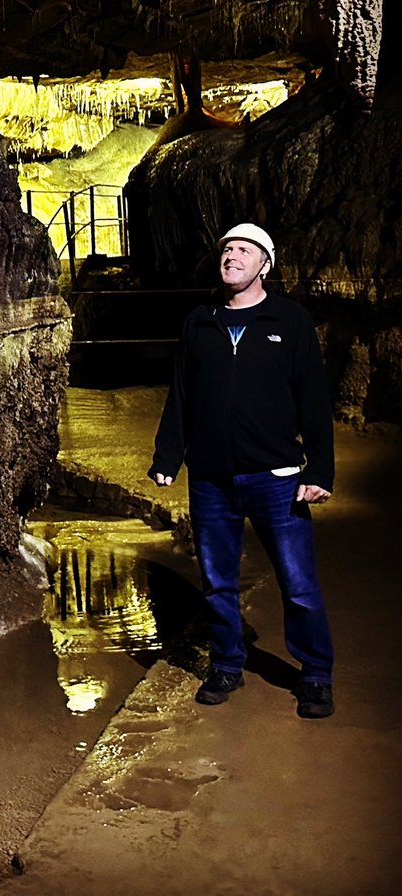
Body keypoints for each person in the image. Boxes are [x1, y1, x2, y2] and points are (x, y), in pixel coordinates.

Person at [149, 222, 336, 718]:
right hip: (211, 479)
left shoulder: (290, 321)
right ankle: (227, 664)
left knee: (297, 582)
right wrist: (168, 456)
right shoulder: (200, 321)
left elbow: (314, 399)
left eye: (245, 250)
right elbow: (182, 395)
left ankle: (315, 675)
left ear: (265, 265)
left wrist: (321, 469)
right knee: (217, 581)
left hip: (276, 478)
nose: (232, 256)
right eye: (227, 249)